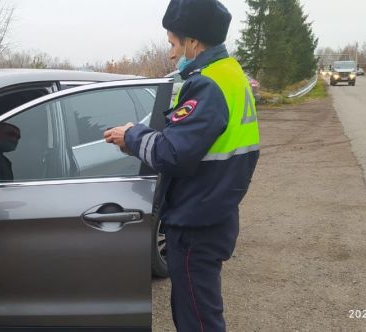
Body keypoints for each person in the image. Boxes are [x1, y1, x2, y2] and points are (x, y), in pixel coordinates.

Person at [104, 0, 259, 331]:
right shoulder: (232, 75)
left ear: (193, 42)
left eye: (174, 43)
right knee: (199, 311)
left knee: (198, 320)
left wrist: (131, 136)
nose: (172, 54)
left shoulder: (207, 84)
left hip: (197, 223)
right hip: (216, 209)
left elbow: (174, 153)